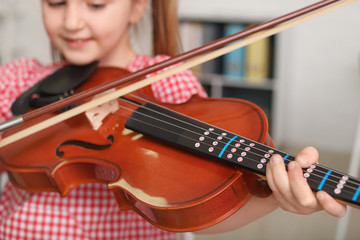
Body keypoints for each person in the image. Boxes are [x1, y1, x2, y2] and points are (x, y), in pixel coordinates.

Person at [0, 0, 346, 239]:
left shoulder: (166, 81)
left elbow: (201, 208)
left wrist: (274, 197)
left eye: (96, 3)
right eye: (56, 3)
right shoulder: (21, 78)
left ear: (136, 6)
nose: (71, 21)